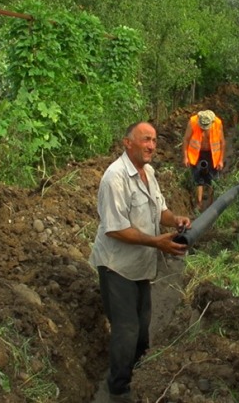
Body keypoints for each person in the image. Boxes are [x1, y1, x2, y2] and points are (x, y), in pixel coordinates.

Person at [89, 121, 191, 401]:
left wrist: (176, 219)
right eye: (145, 140)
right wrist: (157, 242)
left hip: (141, 266)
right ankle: (118, 389)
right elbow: (115, 228)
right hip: (117, 266)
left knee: (143, 327)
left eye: (154, 141)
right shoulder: (115, 178)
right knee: (127, 328)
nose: (151, 146)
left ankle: (138, 375)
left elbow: (160, 210)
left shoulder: (148, 173)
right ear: (127, 143)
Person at [182, 110, 226, 211]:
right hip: (196, 154)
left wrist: (221, 160)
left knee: (212, 179)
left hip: (212, 154)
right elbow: (186, 140)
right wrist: (185, 157)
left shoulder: (217, 123)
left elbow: (222, 142)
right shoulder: (193, 122)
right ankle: (199, 203)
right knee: (198, 178)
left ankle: (211, 203)